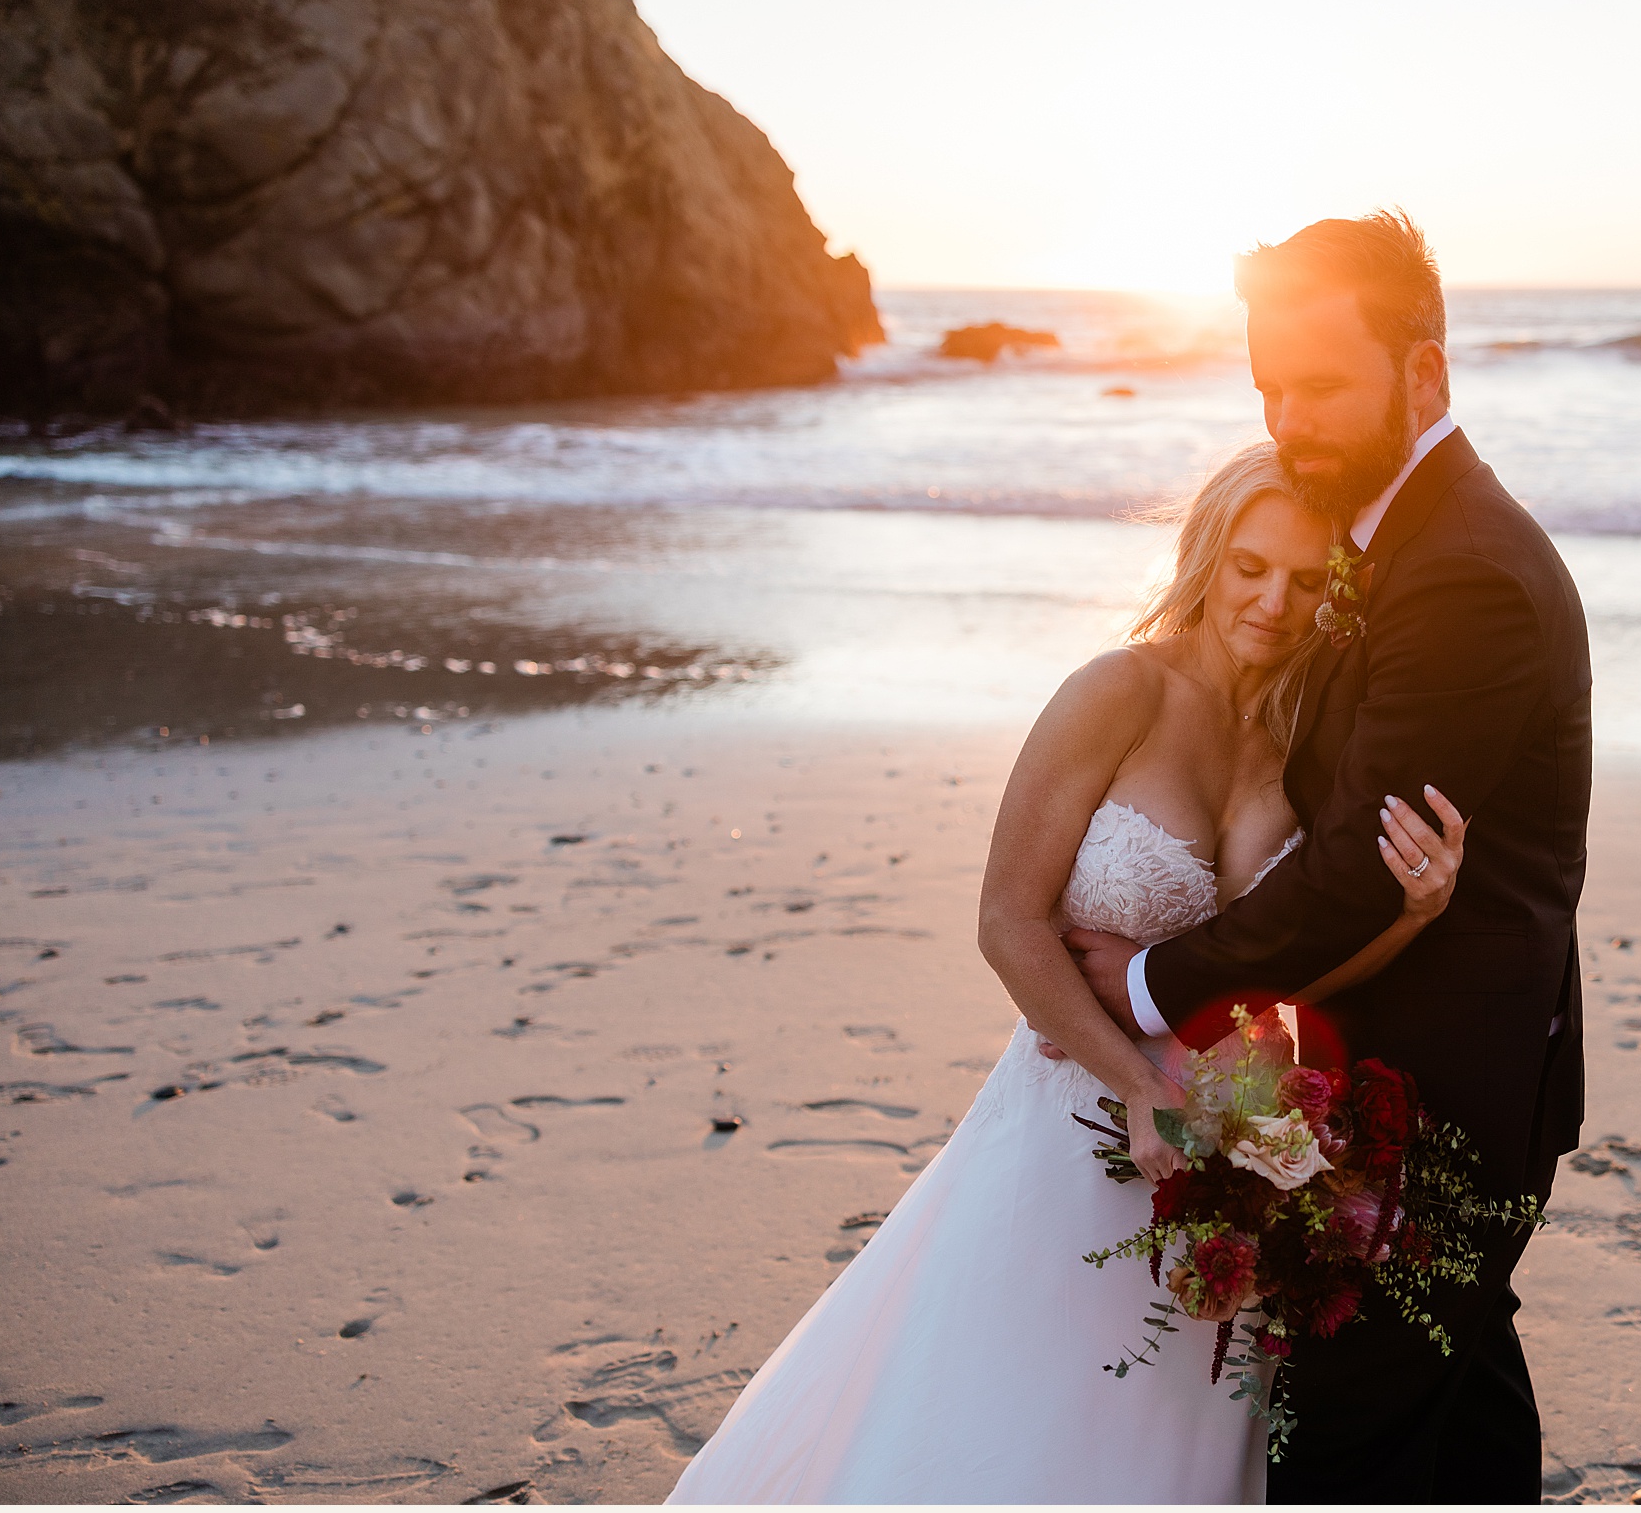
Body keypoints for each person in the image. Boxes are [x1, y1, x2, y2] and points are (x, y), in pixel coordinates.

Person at [665, 440, 1471, 1504]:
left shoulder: (1306, 743)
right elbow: (1007, 921)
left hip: (1225, 1146)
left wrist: (1417, 914)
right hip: (1068, 1125)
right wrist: (1143, 1086)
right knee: (1001, 1429)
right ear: (1206, 555)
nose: (1273, 602)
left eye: (1307, 580)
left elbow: (1297, 973)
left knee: (1166, 1439)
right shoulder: (1117, 693)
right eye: (1248, 566)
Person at [1064, 210, 1593, 1502]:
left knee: (1354, 1433)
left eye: (1320, 386)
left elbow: (1359, 867)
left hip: (1444, 1086)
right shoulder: (1396, 540)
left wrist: (1139, 988)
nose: (1288, 419)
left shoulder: (1462, 572)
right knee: (1452, 1403)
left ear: (1424, 375)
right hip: (1426, 1062)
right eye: (1267, 387)